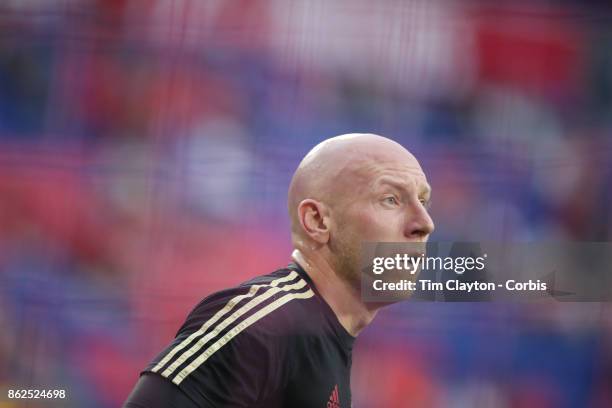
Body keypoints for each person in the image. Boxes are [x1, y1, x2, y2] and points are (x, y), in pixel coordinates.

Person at [123, 133, 434, 408]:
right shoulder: (266, 325)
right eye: (391, 199)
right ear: (317, 221)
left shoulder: (326, 337)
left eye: (423, 201)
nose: (424, 224)